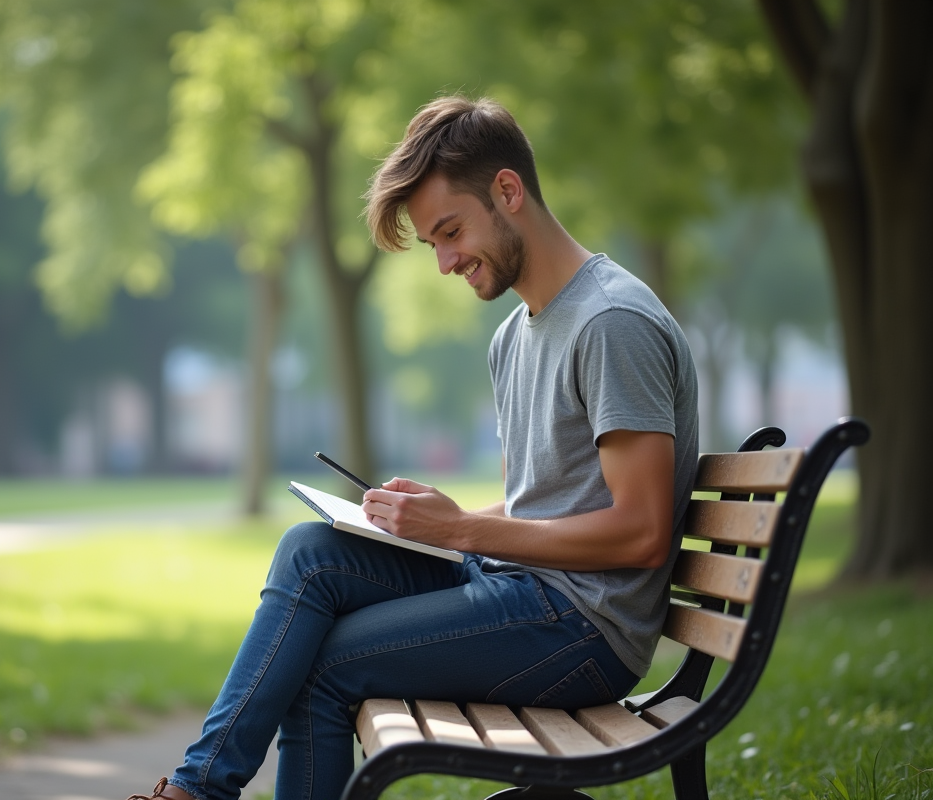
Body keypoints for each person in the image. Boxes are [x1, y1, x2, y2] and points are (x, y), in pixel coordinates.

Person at [127, 96, 699, 800]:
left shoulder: (610, 322)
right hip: (522, 589)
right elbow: (548, 504)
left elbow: (640, 534)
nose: (446, 261)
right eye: (434, 243)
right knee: (310, 553)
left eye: (451, 231)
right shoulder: (515, 335)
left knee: (323, 664)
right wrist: (439, 523)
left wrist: (460, 530)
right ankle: (199, 787)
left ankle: (196, 794)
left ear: (508, 192)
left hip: (583, 631)